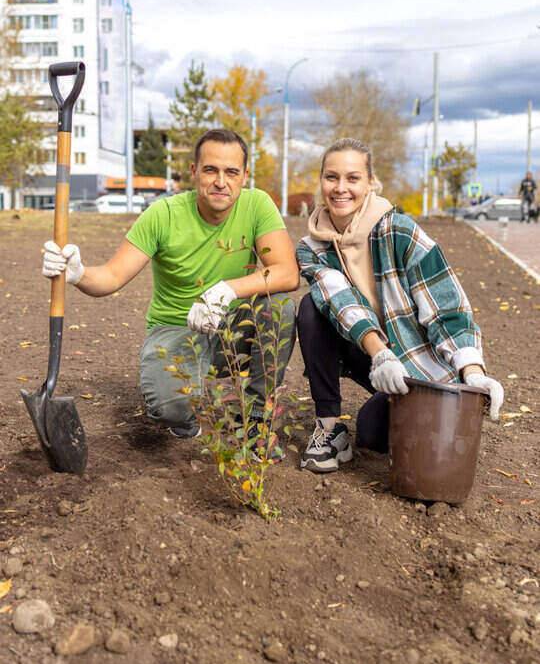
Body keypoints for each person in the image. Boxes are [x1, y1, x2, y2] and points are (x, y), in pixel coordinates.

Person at [42, 129, 299, 447]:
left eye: (231, 171)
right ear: (193, 172)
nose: (221, 181)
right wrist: (78, 273)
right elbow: (111, 276)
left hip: (230, 329)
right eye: (210, 170)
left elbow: (287, 273)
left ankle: (257, 417)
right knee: (169, 409)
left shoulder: (257, 205)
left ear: (244, 176)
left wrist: (226, 291)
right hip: (175, 330)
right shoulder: (162, 215)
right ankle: (188, 415)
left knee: (279, 308)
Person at [295, 138, 504, 474]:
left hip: (419, 363)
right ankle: (329, 428)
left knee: (373, 433)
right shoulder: (312, 247)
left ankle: (409, 403)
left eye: (352, 178)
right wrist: (380, 354)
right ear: (320, 181)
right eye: (331, 177)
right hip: (373, 354)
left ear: (370, 183)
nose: (340, 188)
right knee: (310, 308)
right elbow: (339, 301)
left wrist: (472, 372)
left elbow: (446, 307)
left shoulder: (400, 232)